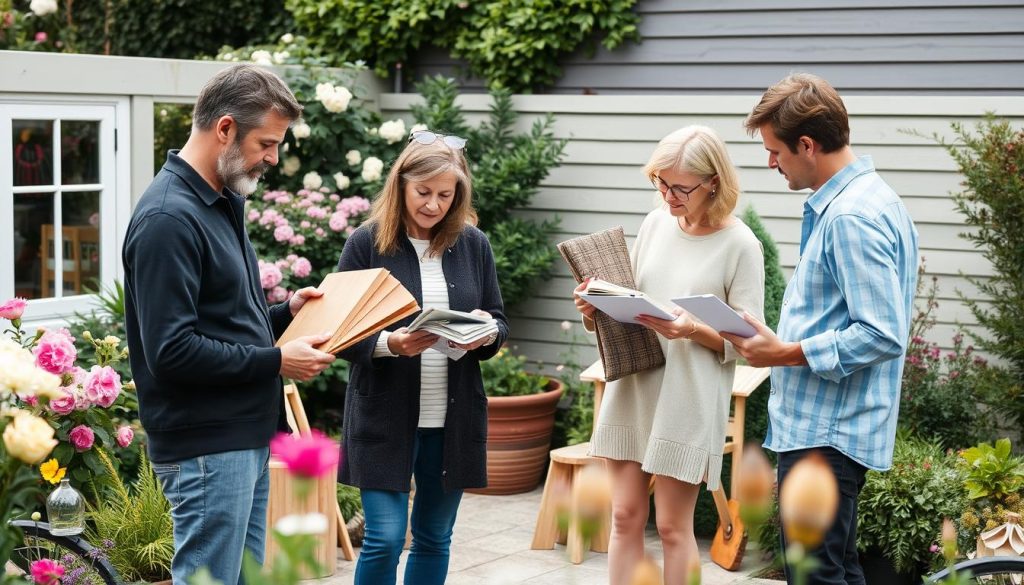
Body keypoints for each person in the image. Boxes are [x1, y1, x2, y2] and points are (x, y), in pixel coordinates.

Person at [122, 64, 336, 585]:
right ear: (224, 128)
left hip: (242, 439)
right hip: (206, 450)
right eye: (267, 142)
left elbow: (218, 324)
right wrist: (277, 360)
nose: (273, 157)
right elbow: (171, 352)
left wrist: (286, 313)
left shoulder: (221, 202)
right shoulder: (169, 218)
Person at [726, 73, 919, 585]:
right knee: (831, 571)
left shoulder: (850, 217)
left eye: (776, 152)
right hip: (825, 431)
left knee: (817, 575)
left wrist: (782, 353)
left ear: (807, 144)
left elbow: (881, 332)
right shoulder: (869, 201)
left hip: (826, 434)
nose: (771, 163)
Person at [572, 125, 765, 585]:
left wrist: (691, 329)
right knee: (623, 517)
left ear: (714, 181)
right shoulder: (657, 222)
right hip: (635, 386)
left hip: (688, 401)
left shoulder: (741, 245)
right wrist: (592, 308)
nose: (668, 195)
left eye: (681, 187)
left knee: (674, 528)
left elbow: (750, 344)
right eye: (660, 182)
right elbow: (633, 301)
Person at [336, 129, 509, 585]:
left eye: (446, 195)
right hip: (383, 415)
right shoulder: (366, 244)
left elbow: (497, 320)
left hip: (451, 421)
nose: (434, 205)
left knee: (434, 536)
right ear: (401, 185)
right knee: (386, 538)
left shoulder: (473, 245)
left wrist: (484, 333)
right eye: (423, 192)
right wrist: (390, 344)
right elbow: (339, 332)